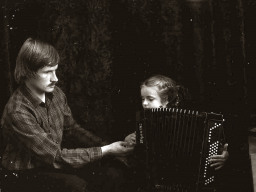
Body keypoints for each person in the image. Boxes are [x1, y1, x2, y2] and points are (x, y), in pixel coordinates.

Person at [1, 38, 133, 192]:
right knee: (75, 186)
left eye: (55, 70)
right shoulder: (18, 110)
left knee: (112, 173)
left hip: (52, 165)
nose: (55, 78)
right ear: (28, 72)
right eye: (47, 72)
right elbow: (56, 157)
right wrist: (108, 150)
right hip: (24, 173)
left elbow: (72, 129)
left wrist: (110, 147)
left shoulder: (56, 94)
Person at [125, 74, 229, 170]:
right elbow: (138, 145)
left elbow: (218, 146)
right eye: (142, 99)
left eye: (150, 99)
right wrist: (130, 139)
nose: (144, 103)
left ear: (165, 100)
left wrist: (223, 154)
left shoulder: (186, 121)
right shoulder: (145, 121)